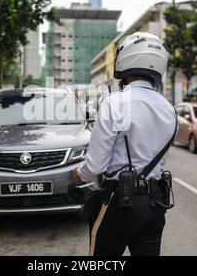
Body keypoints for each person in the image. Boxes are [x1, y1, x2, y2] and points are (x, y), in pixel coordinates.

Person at [72, 32, 177, 256]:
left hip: (120, 201)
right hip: (156, 204)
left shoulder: (114, 103)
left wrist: (79, 173)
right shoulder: (169, 109)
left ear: (125, 59)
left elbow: (96, 166)